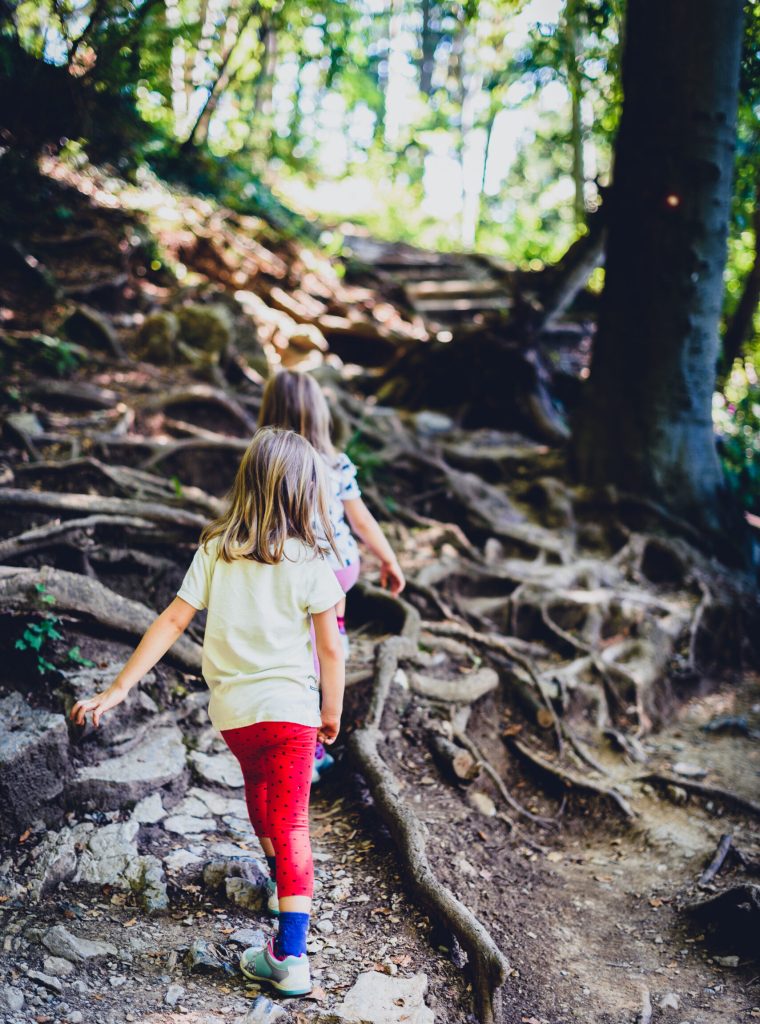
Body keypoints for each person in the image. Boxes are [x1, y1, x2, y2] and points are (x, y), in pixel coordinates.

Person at [70, 427, 345, 999]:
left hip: (237, 715)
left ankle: (279, 884)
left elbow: (172, 620)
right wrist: (332, 709)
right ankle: (290, 956)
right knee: (292, 820)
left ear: (247, 484)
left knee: (259, 792)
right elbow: (331, 647)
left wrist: (120, 687)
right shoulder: (314, 559)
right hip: (292, 712)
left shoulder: (219, 549)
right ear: (305, 492)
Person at [258, 371, 405, 783]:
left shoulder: (269, 462)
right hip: (340, 568)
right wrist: (389, 559)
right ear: (320, 415)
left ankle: (305, 744)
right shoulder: (336, 464)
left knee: (300, 651)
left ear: (270, 412)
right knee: (329, 640)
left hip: (298, 568)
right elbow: (362, 520)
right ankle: (317, 735)